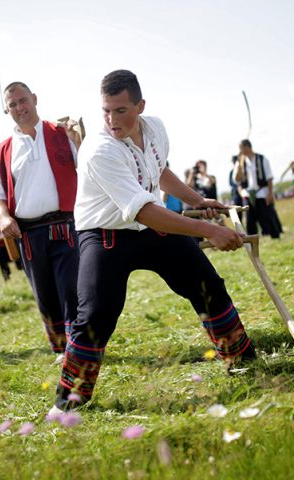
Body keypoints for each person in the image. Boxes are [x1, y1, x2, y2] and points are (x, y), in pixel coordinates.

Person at [50, 70, 254, 413]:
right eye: (106, 111)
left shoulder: (156, 128)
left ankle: (240, 359)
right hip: (105, 233)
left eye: (120, 110)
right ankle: (68, 405)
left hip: (152, 223)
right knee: (97, 313)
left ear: (140, 106)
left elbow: (160, 171)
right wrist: (211, 231)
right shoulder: (99, 149)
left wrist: (197, 200)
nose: (112, 120)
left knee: (205, 283)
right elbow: (143, 212)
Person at [0, 81, 81, 361]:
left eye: (23, 100)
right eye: (12, 105)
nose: (20, 108)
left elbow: (87, 165)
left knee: (70, 287)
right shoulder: (2, 150)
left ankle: (78, 347)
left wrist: (79, 138)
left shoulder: (62, 132)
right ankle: (60, 350)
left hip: (65, 225)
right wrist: (4, 216)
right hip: (28, 233)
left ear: (34, 99)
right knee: (44, 292)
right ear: (7, 111)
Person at [233, 140, 282, 238]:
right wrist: (238, 166)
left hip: (262, 192)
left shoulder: (262, 158)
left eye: (241, 149)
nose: (240, 152)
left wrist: (270, 192)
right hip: (247, 193)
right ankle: (252, 239)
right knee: (250, 219)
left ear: (247, 147)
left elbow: (269, 177)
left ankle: (274, 235)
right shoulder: (240, 162)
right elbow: (237, 181)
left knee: (267, 215)